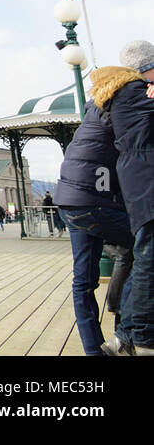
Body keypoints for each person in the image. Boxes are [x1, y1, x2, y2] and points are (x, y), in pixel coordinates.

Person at [55, 64, 137, 355]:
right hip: (92, 203)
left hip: (69, 201)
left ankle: (93, 349)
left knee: (83, 280)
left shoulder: (94, 110)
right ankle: (124, 333)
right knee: (143, 247)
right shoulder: (123, 106)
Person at [105, 40, 154, 356]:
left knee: (145, 258)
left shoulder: (128, 93)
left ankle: (125, 335)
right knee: (148, 260)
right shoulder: (133, 92)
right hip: (147, 183)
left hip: (141, 183)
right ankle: (138, 337)